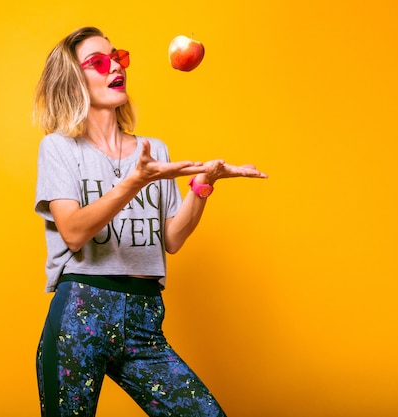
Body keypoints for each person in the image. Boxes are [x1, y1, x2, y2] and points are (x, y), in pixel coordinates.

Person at [33, 26, 267, 417]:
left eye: (118, 57)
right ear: (72, 82)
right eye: (97, 61)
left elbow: (172, 239)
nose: (114, 66)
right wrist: (135, 181)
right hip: (81, 314)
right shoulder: (59, 148)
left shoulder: (152, 150)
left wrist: (202, 187)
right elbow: (73, 232)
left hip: (144, 320)